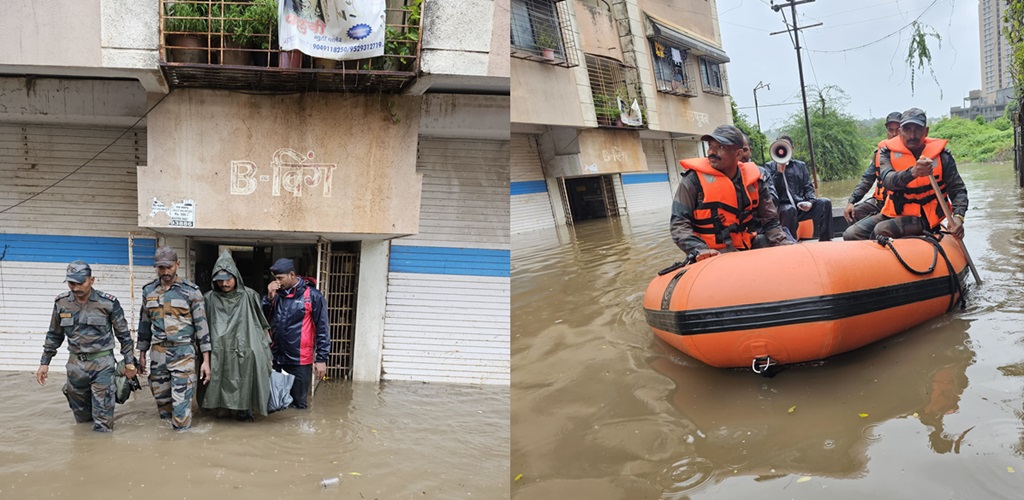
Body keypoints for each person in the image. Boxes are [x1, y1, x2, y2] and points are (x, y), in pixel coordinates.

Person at [36, 261, 136, 432]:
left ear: (91, 280)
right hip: (75, 367)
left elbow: (124, 336)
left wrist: (129, 363)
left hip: (102, 365)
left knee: (103, 422)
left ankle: (102, 453)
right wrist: (44, 363)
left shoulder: (108, 303)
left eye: (80, 283)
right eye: (71, 283)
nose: (75, 288)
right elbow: (54, 334)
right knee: (81, 420)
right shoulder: (62, 303)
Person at [671, 124, 793, 261]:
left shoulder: (755, 180)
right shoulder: (692, 181)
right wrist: (700, 249)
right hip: (709, 253)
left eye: (720, 147)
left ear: (738, 154)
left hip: (744, 246)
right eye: (711, 146)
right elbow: (679, 225)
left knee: (788, 246)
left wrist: (781, 243)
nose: (712, 152)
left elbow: (770, 221)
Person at [843, 108, 968, 241]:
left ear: (926, 131)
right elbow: (888, 180)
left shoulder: (943, 157)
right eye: (907, 129)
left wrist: (958, 217)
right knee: (850, 234)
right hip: (895, 212)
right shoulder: (886, 153)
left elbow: (958, 190)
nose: (912, 135)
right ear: (901, 132)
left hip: (925, 216)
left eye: (917, 130)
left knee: (881, 230)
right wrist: (914, 172)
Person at [137, 246, 211, 430]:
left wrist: (206, 361)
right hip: (158, 354)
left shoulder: (191, 291)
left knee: (181, 410)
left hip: (183, 353)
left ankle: (181, 446)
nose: (165, 272)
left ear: (177, 264)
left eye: (169, 267)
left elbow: (202, 328)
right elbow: (144, 324)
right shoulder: (149, 291)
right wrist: (142, 355)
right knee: (163, 407)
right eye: (161, 268)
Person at [201, 251, 274, 421]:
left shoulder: (250, 296)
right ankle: (222, 411)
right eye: (220, 279)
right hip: (219, 352)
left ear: (236, 276)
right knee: (219, 387)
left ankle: (244, 413)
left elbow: (262, 325)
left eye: (228, 279)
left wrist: (266, 353)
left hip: (245, 351)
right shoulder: (208, 299)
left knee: (245, 385)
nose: (224, 283)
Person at [262, 258, 329, 409]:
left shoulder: (313, 296)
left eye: (280, 278)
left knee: (299, 404)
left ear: (292, 275)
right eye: (275, 278)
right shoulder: (276, 295)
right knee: (275, 402)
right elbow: (262, 320)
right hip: (277, 357)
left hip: (300, 359)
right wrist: (268, 298)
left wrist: (321, 359)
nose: (277, 282)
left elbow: (322, 328)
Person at [763, 135, 834, 241]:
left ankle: (826, 240)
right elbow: (770, 192)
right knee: (788, 209)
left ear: (792, 149)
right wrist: (778, 173)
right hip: (782, 209)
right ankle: (790, 244)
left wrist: (810, 202)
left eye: (786, 147)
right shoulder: (769, 167)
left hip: (800, 206)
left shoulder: (800, 166)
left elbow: (808, 187)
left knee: (825, 203)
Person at [843, 111, 903, 224]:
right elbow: (867, 180)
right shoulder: (879, 154)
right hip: (880, 202)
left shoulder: (911, 153)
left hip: (900, 204)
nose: (894, 134)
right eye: (891, 130)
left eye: (898, 130)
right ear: (887, 131)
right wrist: (852, 201)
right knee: (854, 212)